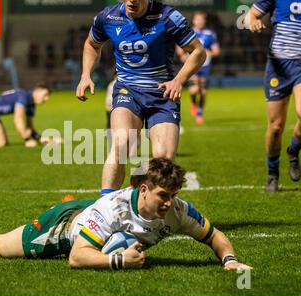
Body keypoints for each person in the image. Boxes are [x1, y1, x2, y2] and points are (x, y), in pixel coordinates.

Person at [0, 158, 251, 271]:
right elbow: (76, 258)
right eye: (163, 195)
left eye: (173, 196)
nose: (168, 203)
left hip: (90, 220)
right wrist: (120, 262)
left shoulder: (177, 210)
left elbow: (214, 236)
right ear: (143, 189)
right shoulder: (113, 207)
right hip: (64, 227)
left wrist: (230, 260)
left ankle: (83, 214)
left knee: (118, 240)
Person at [76, 0, 206, 198]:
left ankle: (154, 215)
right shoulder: (108, 17)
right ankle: (105, 209)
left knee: (164, 159)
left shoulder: (168, 16)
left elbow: (198, 51)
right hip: (128, 91)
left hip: (163, 94)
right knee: (121, 143)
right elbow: (92, 44)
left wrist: (178, 80)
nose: (132, 2)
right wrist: (86, 74)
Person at [248, 0, 301, 192]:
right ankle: (273, 173)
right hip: (278, 67)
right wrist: (253, 21)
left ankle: (294, 150)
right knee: (276, 126)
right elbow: (251, 15)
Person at [177, 11, 221, 125]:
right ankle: (195, 106)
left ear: (204, 21)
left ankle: (199, 111)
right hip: (191, 64)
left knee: (203, 92)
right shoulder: (189, 32)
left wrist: (211, 53)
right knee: (194, 88)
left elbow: (216, 50)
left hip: (205, 65)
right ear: (194, 21)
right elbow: (179, 45)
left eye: (202, 19)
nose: (200, 21)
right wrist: (182, 55)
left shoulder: (210, 34)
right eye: (198, 19)